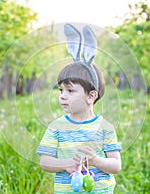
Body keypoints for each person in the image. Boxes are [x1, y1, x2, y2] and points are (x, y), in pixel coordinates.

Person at [36, 24, 121, 194]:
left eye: (70, 91)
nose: (62, 96)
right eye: (61, 90)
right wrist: (65, 164)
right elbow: (45, 162)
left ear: (91, 96)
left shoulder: (105, 128)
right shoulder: (56, 128)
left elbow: (116, 165)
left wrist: (97, 161)